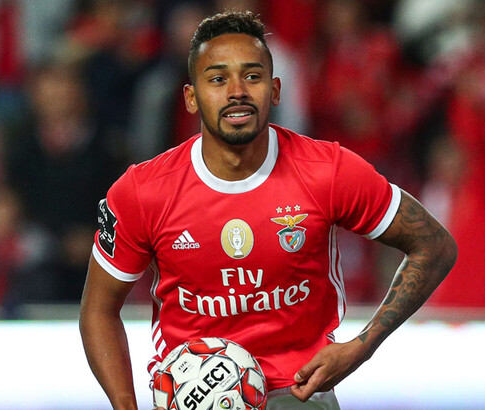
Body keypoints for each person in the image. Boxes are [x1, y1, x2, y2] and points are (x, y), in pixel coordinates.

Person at [79, 11, 457, 410]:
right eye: (218, 79)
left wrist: (362, 346)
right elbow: (98, 311)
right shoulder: (143, 191)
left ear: (275, 90)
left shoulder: (327, 171)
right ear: (191, 97)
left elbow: (435, 245)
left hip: (297, 394)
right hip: (191, 398)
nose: (237, 91)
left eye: (253, 76)